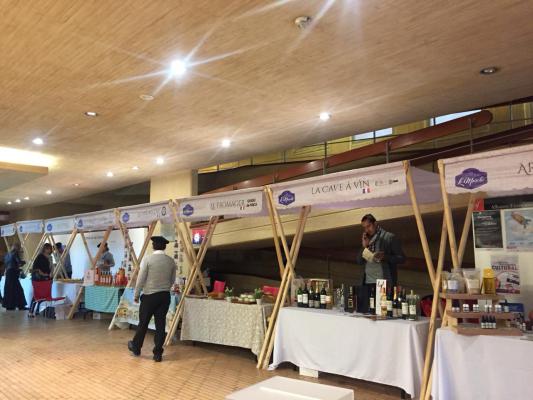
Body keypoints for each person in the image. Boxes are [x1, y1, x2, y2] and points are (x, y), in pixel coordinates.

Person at [128, 236, 176, 362]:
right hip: (164, 296)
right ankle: (158, 353)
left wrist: (136, 295)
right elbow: (172, 280)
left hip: (149, 296)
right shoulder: (171, 261)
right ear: (164, 247)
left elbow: (141, 279)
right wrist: (164, 287)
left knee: (143, 323)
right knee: (160, 324)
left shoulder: (148, 259)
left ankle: (136, 347)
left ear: (153, 246)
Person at [356, 214, 405, 287]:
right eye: (365, 228)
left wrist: (384, 257)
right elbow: (359, 261)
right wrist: (364, 247)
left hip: (383, 282)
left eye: (368, 226)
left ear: (375, 223)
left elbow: (402, 259)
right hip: (367, 282)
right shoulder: (367, 239)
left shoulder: (389, 237)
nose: (367, 230)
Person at [28, 243, 53, 317]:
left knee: (43, 295)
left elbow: (51, 268)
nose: (49, 250)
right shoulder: (40, 257)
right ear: (44, 249)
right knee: (37, 295)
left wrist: (50, 276)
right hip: (38, 279)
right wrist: (44, 274)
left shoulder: (50, 257)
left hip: (46, 279)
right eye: (47, 248)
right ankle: (30, 311)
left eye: (50, 248)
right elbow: (36, 269)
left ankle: (37, 311)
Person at [2, 243, 27, 310]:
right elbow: (19, 263)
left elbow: (5, 263)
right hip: (13, 273)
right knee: (18, 289)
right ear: (17, 248)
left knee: (9, 289)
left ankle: (9, 305)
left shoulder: (7, 254)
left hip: (8, 273)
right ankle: (21, 305)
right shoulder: (15, 253)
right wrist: (24, 262)